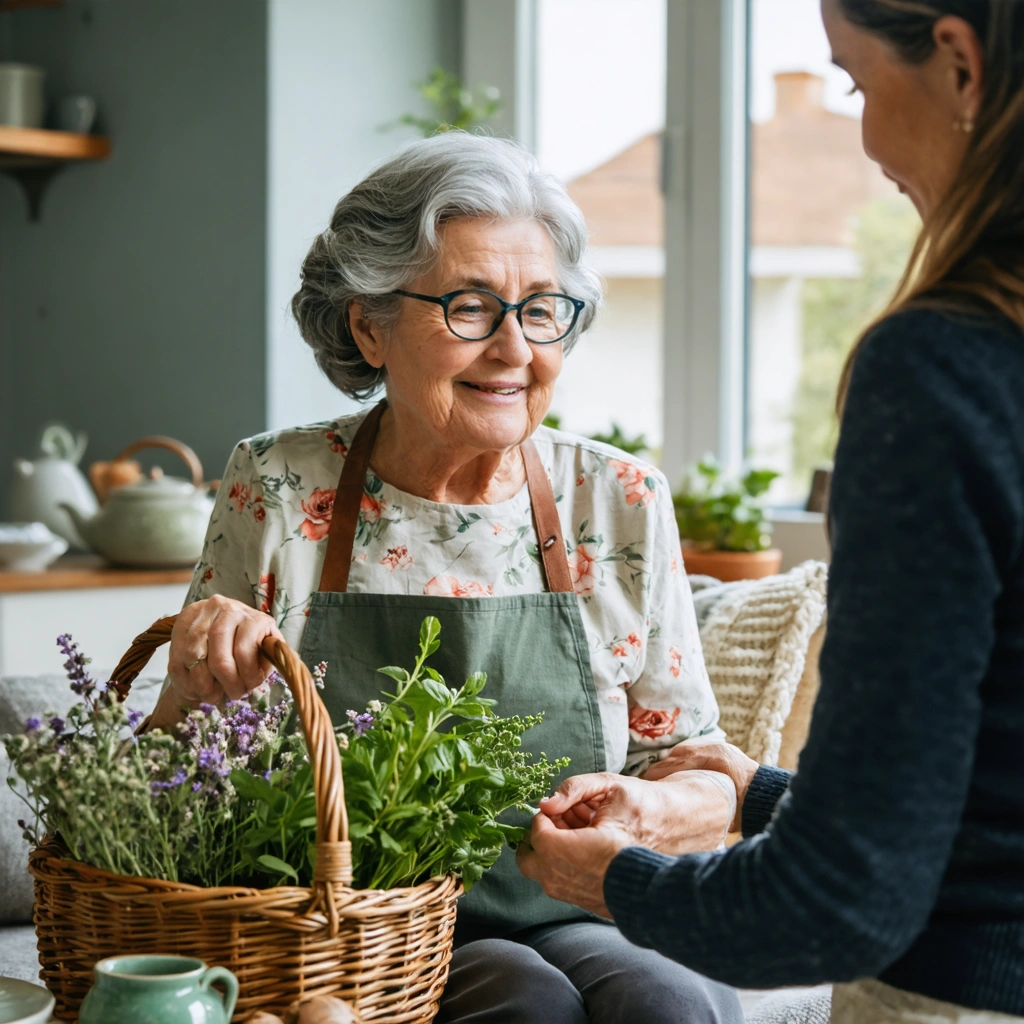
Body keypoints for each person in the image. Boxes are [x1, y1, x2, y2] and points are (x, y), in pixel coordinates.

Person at [147, 132, 743, 1023]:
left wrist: (653, 810)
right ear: (369, 324)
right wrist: (195, 679)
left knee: (667, 1002)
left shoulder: (615, 497)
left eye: (543, 310)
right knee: (523, 1003)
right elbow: (177, 772)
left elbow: (697, 766)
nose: (514, 349)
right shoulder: (277, 485)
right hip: (363, 928)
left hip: (577, 908)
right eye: (470, 307)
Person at [518, 1, 1024, 1021]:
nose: (866, 137)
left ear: (961, 65)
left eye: (854, 83)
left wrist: (611, 880)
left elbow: (837, 906)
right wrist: (761, 793)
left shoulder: (944, 368)